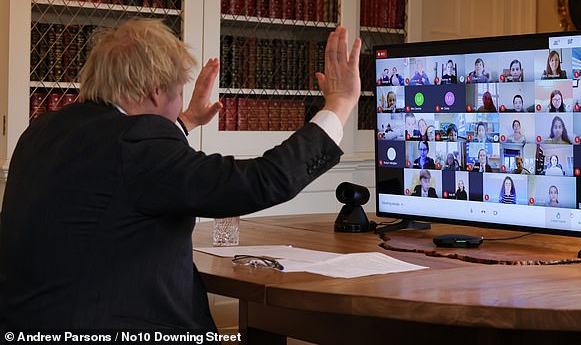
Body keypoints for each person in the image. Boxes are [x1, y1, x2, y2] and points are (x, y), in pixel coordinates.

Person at [0, 20, 362, 330]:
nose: (178, 102)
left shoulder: (44, 130)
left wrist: (184, 121)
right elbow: (260, 181)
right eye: (177, 91)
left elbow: (124, 176)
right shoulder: (138, 144)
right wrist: (339, 104)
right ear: (156, 91)